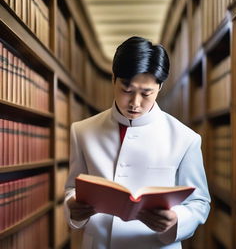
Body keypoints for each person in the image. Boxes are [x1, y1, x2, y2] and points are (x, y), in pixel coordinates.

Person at [64, 36, 211, 249]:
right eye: (127, 90)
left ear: (160, 86)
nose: (135, 103)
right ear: (113, 78)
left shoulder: (185, 138)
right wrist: (72, 206)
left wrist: (177, 219)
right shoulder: (82, 131)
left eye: (146, 93)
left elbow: (200, 202)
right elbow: (72, 188)